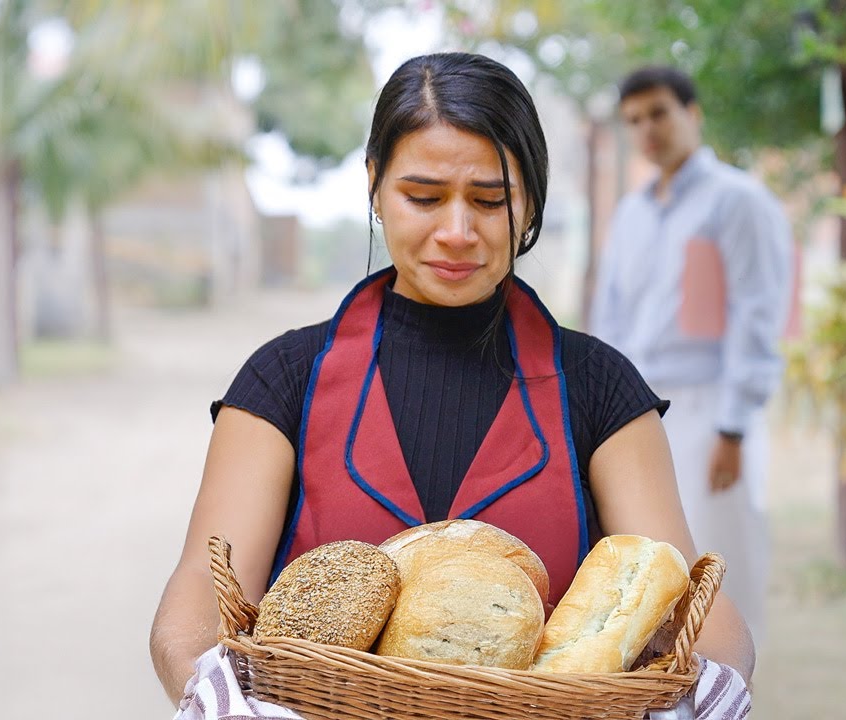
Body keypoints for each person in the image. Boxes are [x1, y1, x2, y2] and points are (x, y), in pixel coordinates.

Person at [149, 52, 754, 714]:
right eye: (424, 197)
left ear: (529, 201)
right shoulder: (285, 379)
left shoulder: (599, 387)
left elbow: (707, 624)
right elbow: (194, 615)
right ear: (375, 185)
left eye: (490, 200)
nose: (457, 232)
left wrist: (705, 694)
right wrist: (221, 702)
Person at [590, 66, 793, 643]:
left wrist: (734, 427)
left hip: (711, 412)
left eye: (659, 113)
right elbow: (611, 321)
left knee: (722, 571)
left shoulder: (737, 202)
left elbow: (757, 317)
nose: (648, 129)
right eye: (634, 120)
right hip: (635, 413)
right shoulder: (631, 214)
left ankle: (732, 698)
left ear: (692, 114)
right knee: (650, 575)